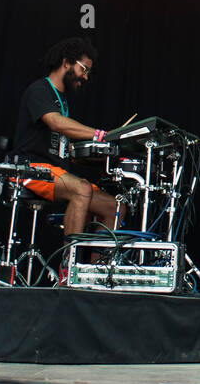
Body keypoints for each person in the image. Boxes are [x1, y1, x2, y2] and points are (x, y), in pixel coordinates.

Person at [12, 36, 120, 237]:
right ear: (66, 62)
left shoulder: (61, 100)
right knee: (82, 189)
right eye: (84, 69)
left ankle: (96, 268)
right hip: (31, 170)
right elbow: (55, 122)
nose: (86, 77)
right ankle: (68, 267)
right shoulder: (39, 90)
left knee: (114, 207)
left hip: (54, 172)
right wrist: (99, 135)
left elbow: (63, 146)